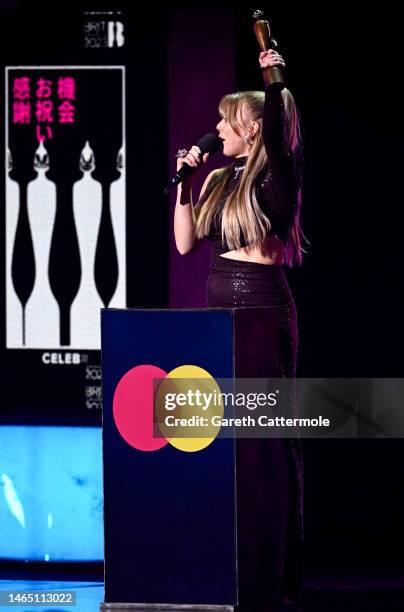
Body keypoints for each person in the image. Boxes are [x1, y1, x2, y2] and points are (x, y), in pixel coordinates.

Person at [174, 48, 304, 612]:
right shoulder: (219, 180)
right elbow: (184, 243)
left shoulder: (278, 173)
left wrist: (273, 79)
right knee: (223, 439)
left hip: (261, 314)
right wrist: (183, 180)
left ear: (250, 128)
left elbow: (276, 128)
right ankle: (222, 561)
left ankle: (272, 569)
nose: (216, 129)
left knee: (263, 444)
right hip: (217, 313)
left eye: (228, 122)